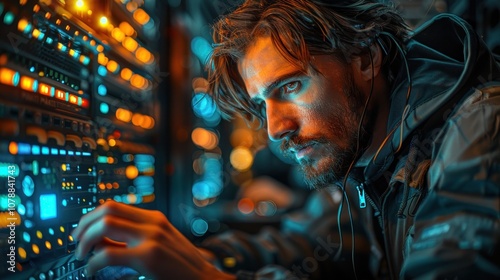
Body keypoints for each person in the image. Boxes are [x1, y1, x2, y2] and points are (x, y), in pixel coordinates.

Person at [72, 0, 500, 279]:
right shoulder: (370, 159)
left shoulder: (479, 128)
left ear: (366, 59)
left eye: (291, 87)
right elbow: (310, 245)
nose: (276, 129)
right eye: (263, 104)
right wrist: (202, 257)